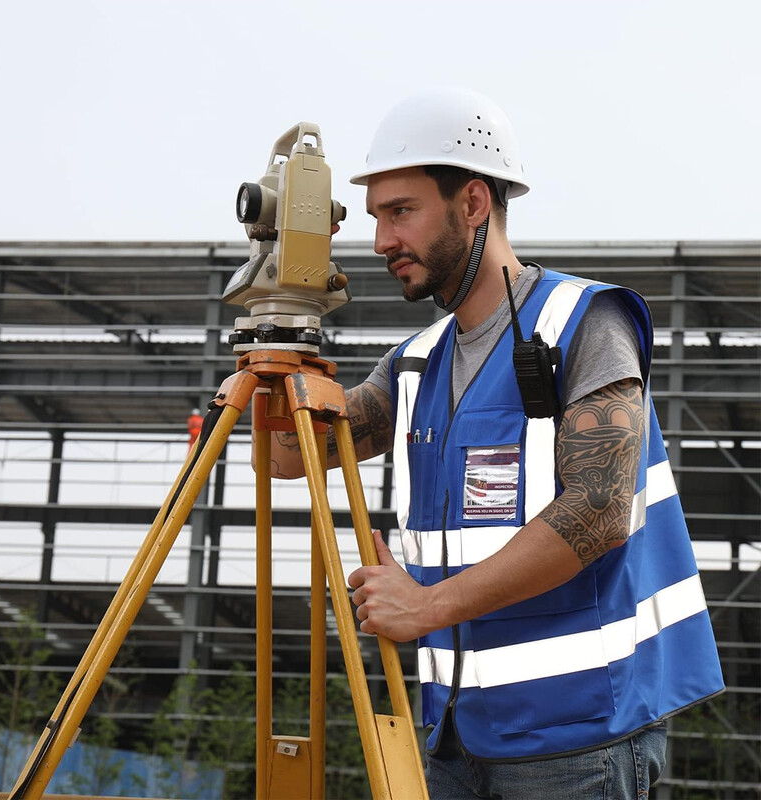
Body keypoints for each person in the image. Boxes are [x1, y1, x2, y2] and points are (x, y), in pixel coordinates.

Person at [265, 88, 724, 798]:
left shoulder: (585, 322)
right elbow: (286, 457)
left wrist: (427, 606)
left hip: (576, 737)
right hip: (453, 732)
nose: (383, 240)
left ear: (474, 203)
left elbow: (599, 512)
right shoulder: (416, 362)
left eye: (401, 212)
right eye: (377, 217)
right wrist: (279, 338)